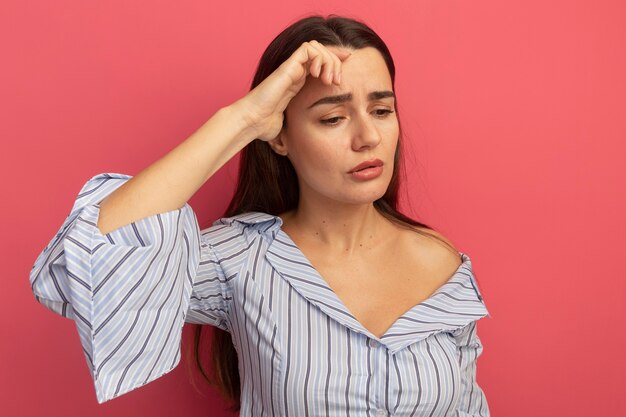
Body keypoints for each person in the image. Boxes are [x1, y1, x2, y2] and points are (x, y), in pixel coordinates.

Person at [29, 14, 490, 417]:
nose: (367, 136)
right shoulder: (241, 257)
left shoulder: (440, 261)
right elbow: (84, 267)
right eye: (333, 118)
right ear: (280, 138)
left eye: (382, 109)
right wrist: (244, 120)